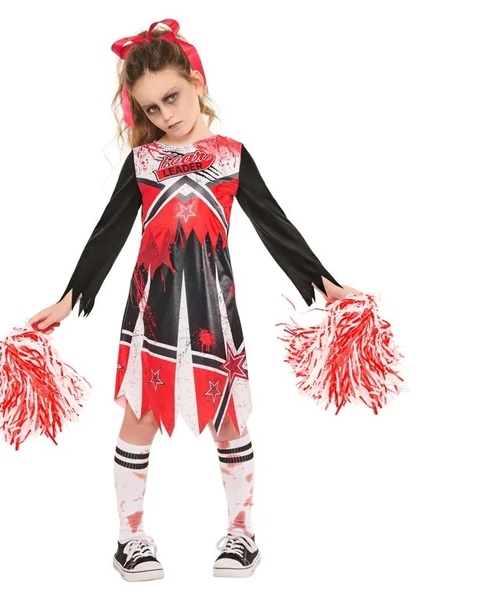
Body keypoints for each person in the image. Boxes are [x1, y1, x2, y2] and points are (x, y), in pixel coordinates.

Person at [28, 18, 360, 582]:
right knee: (139, 418)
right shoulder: (143, 163)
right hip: (150, 315)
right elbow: (107, 234)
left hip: (214, 314)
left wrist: (325, 283)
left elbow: (275, 226)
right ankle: (130, 539)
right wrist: (69, 298)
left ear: (196, 82)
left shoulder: (231, 156)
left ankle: (242, 534)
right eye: (151, 108)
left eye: (172, 97)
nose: (165, 115)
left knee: (229, 419)